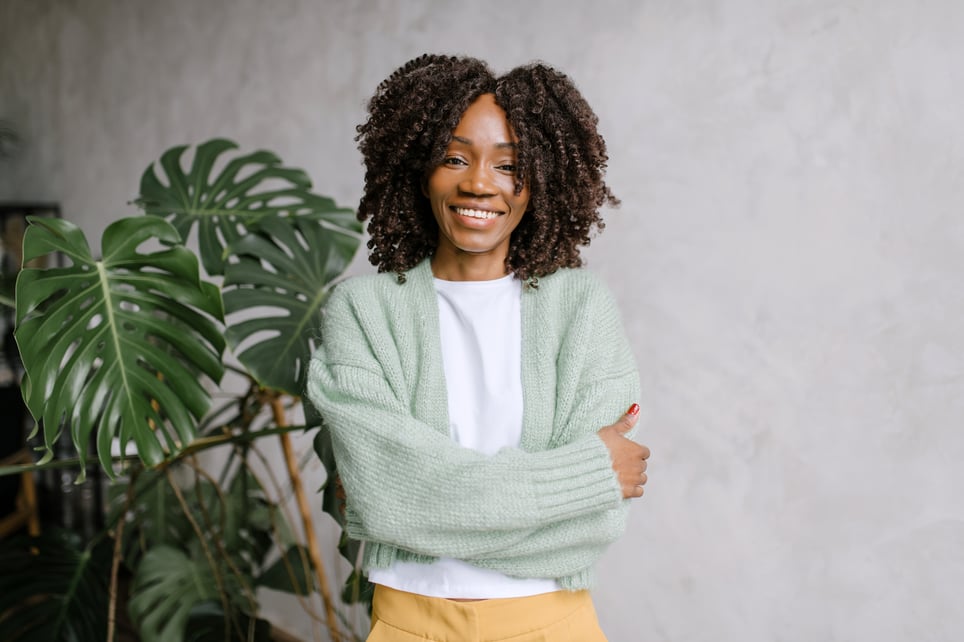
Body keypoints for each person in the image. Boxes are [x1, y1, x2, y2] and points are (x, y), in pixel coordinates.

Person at [306, 53, 651, 642]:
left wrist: (417, 507)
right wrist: (586, 475)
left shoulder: (581, 310)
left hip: (552, 621)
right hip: (409, 622)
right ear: (421, 171)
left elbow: (593, 524)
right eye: (454, 158)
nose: (478, 183)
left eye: (509, 164)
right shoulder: (362, 314)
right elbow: (384, 498)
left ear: (540, 178)